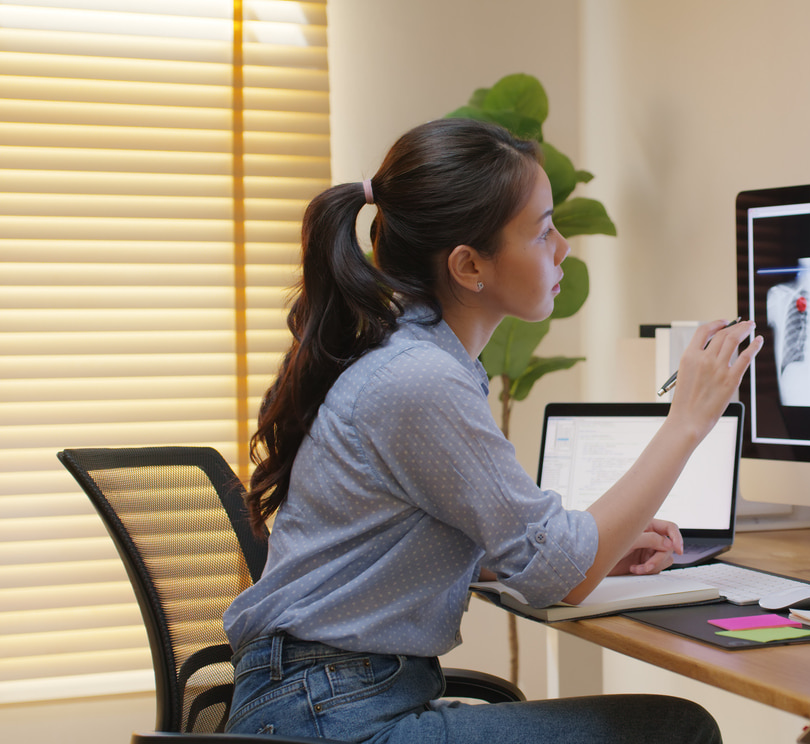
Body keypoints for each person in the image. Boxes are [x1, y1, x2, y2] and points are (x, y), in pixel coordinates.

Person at [223, 117, 761, 743]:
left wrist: (599, 550)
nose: (563, 247)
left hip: (330, 697)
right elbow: (563, 575)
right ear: (469, 264)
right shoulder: (420, 377)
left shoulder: (418, 360)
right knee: (674, 731)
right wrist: (687, 422)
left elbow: (449, 549)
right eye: (541, 231)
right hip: (331, 717)